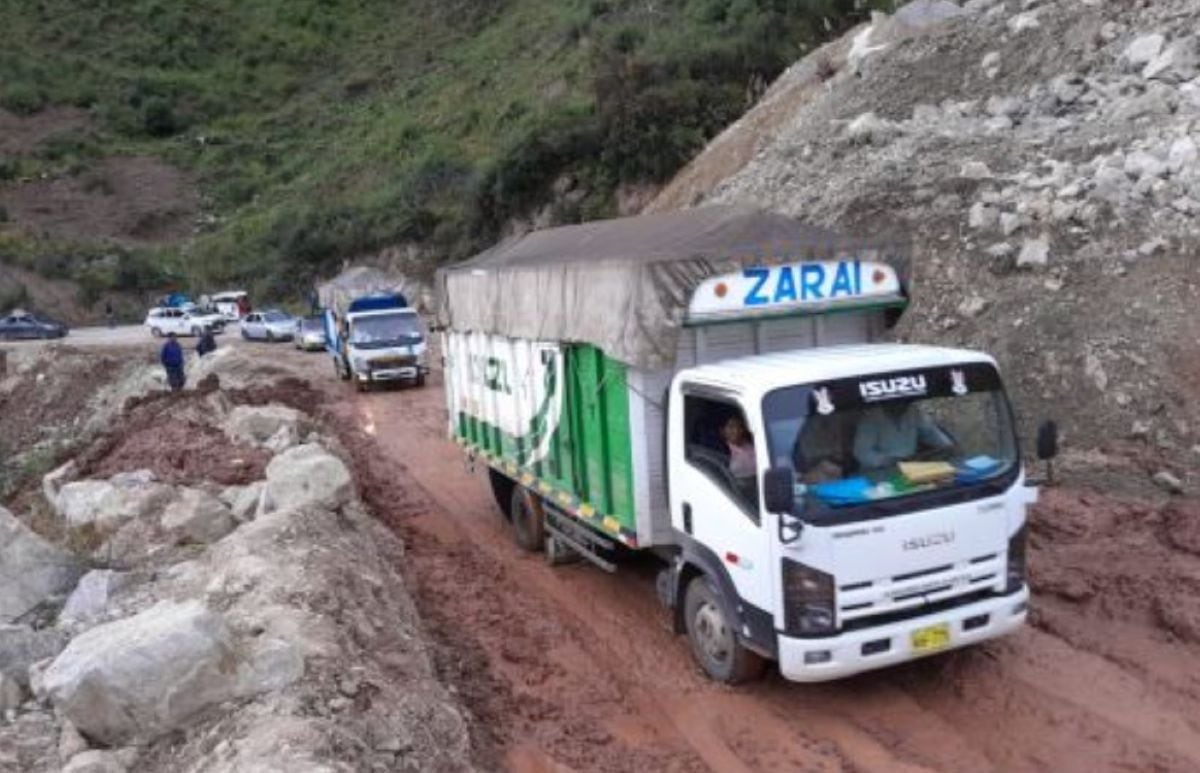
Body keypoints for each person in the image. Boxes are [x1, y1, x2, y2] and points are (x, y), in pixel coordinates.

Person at [853, 402, 953, 471]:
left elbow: (929, 432)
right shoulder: (871, 419)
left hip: (910, 467)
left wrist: (946, 445)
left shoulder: (912, 411)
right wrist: (887, 461)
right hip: (878, 472)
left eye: (905, 403)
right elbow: (862, 452)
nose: (903, 406)